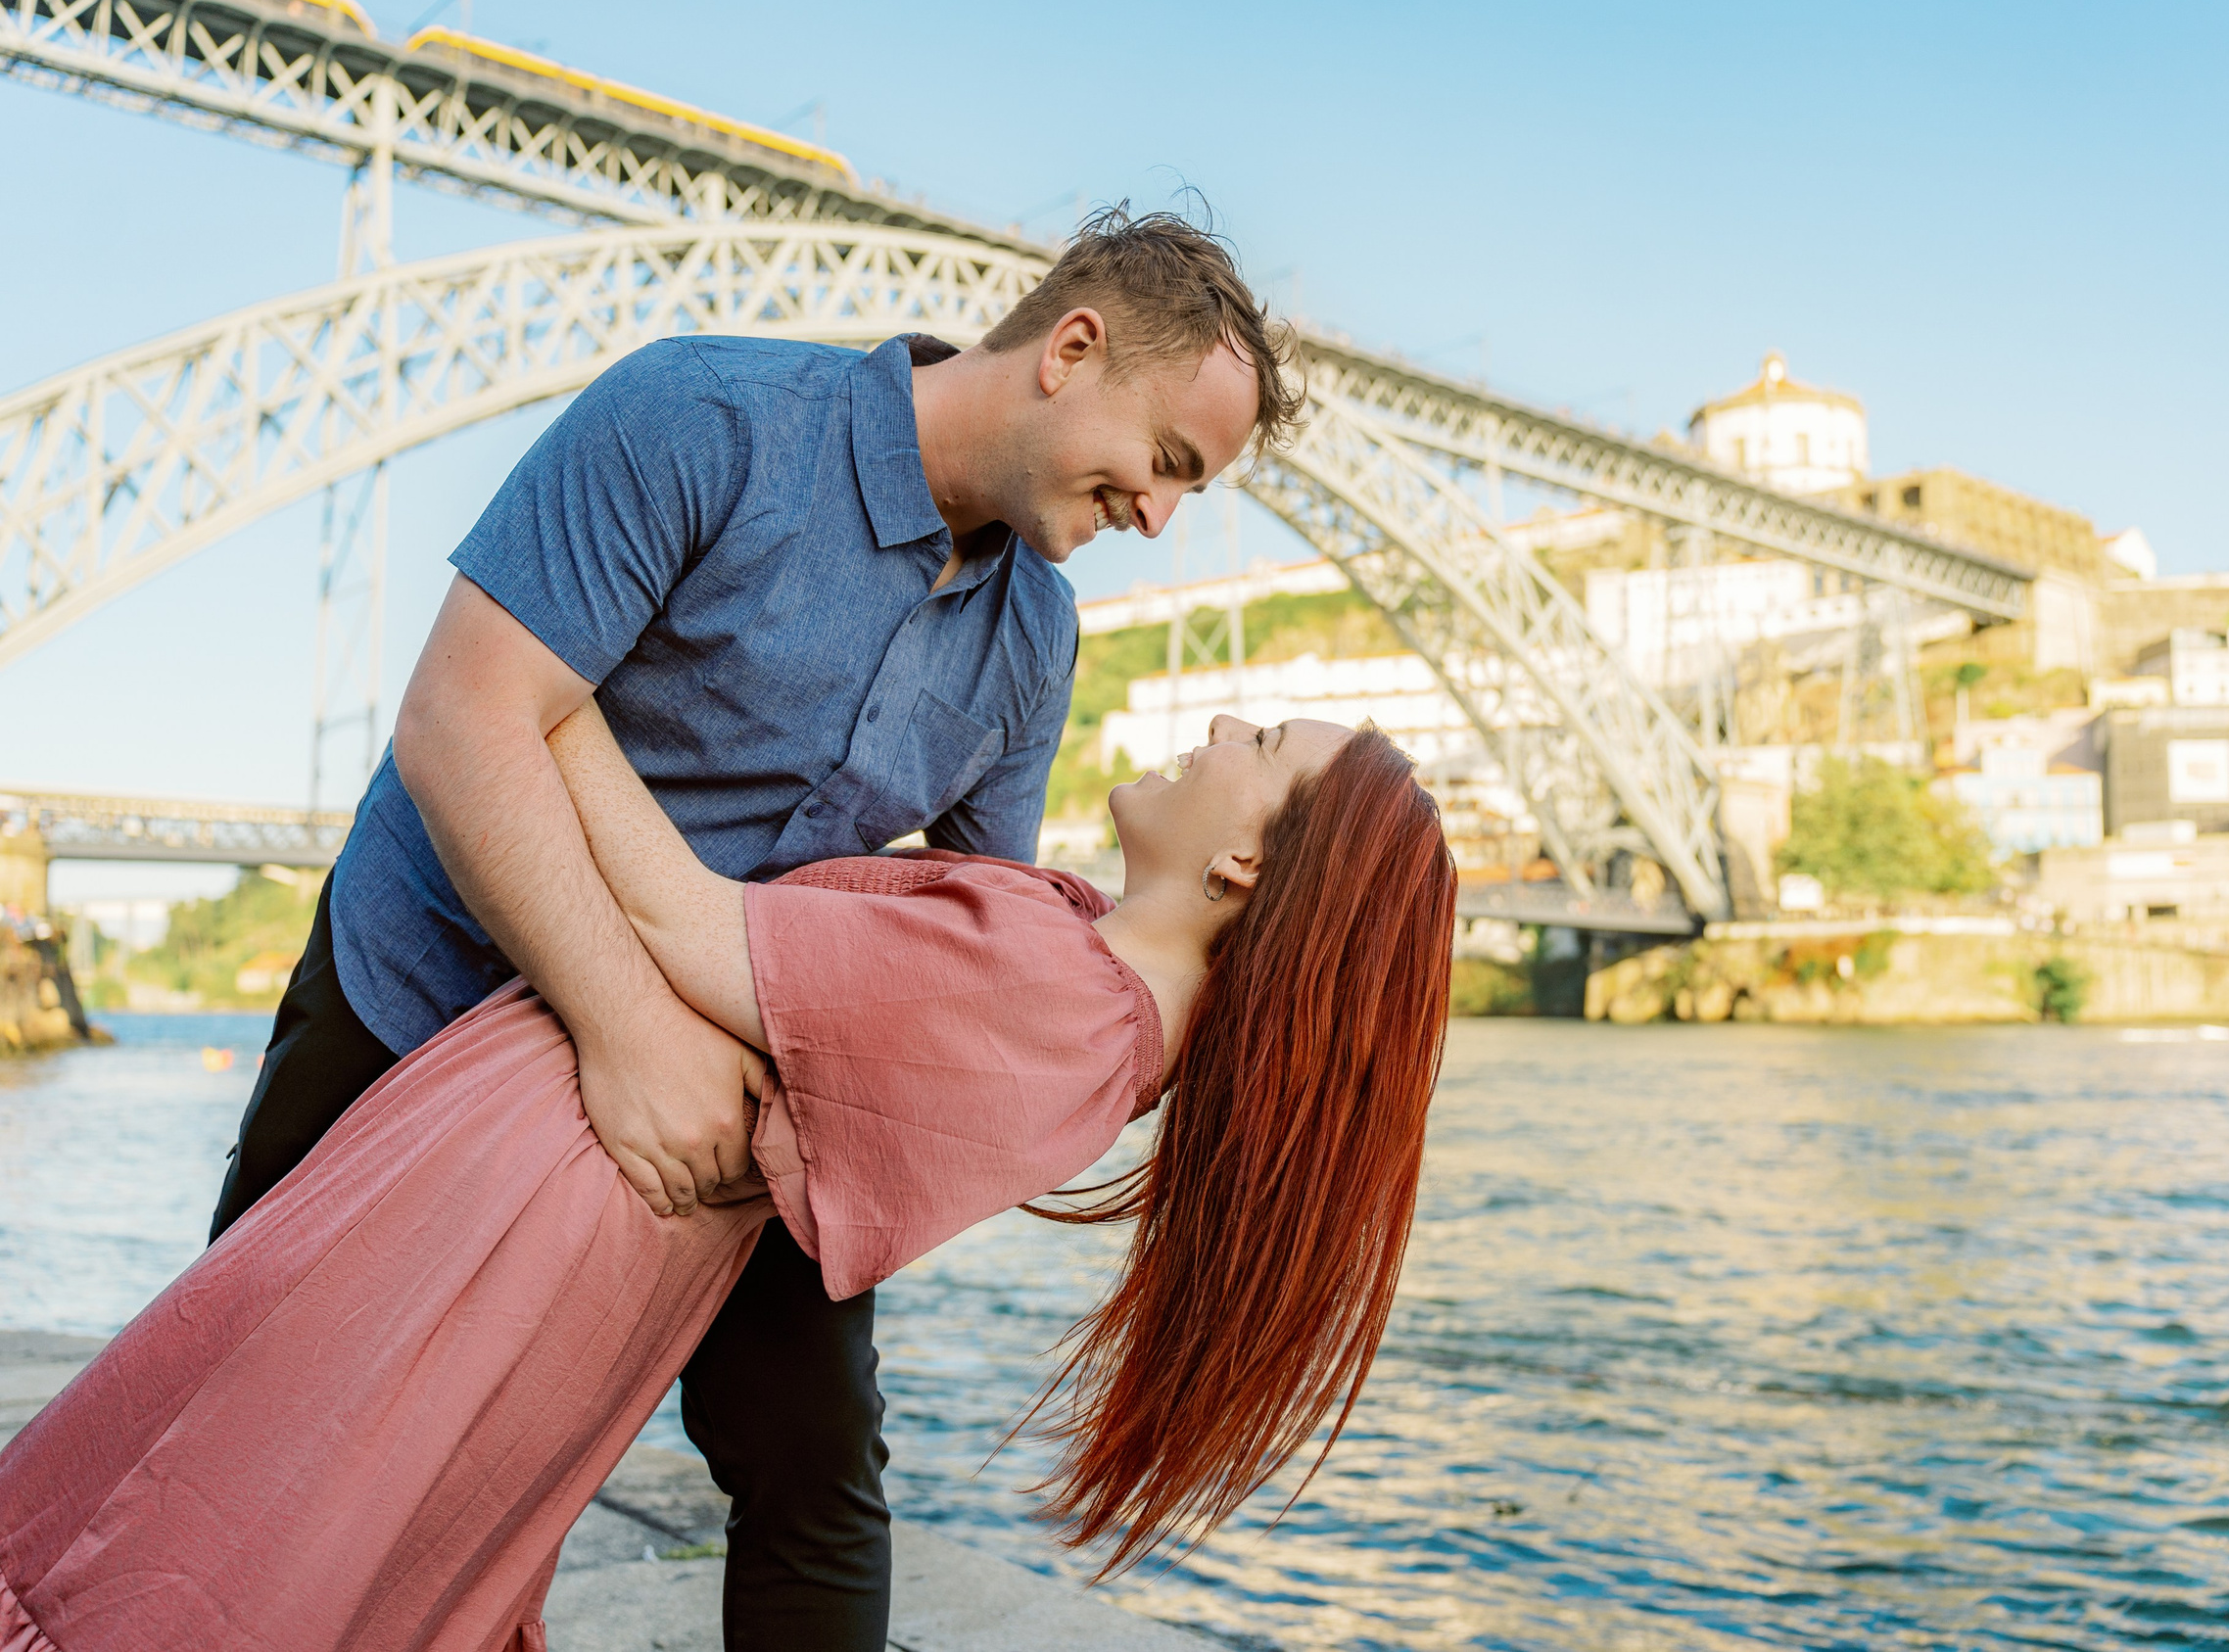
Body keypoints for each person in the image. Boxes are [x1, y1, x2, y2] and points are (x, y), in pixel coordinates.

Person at [204, 206, 1302, 1646]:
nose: (1159, 515)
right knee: (247, 1399)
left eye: (1188, 491)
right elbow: (462, 721)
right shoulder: (701, 417)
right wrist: (625, 1027)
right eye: (1166, 461)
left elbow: (956, 947)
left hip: (735, 1090)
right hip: (417, 994)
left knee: (817, 1468)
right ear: (1073, 350)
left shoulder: (1036, 640)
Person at [0, 709, 1458, 1652]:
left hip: (514, 1210)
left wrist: (532, 692)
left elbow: (689, 923)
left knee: (226, 1534)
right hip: (549, 1201)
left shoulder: (1062, 999)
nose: (1217, 723)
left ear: (1253, 867)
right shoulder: (1089, 991)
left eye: (1260, 740)